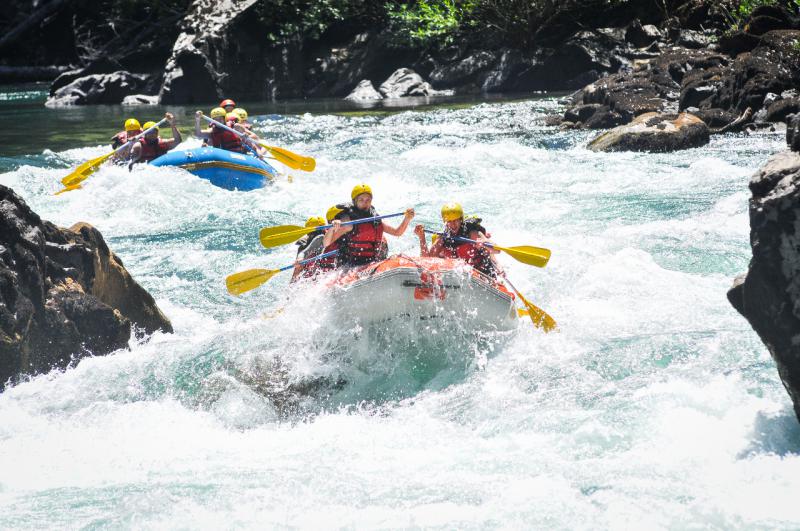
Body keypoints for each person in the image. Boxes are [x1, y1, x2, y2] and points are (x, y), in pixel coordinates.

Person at [323, 184, 414, 268]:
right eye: (361, 200)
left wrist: (407, 219)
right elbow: (326, 243)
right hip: (351, 264)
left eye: (368, 200)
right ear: (355, 202)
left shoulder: (375, 220)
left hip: (372, 262)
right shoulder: (348, 223)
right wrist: (332, 228)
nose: (365, 203)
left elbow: (397, 232)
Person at [414, 202, 499, 278]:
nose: (452, 225)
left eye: (455, 220)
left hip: (483, 273)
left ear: (460, 219)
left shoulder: (472, 233)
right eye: (449, 221)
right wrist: (422, 238)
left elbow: (497, 250)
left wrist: (485, 242)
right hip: (460, 276)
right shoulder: (443, 237)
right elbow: (426, 261)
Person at [291, 216, 326, 282]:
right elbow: (297, 270)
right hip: (310, 277)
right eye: (315, 233)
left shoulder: (330, 237)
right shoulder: (303, 246)